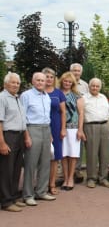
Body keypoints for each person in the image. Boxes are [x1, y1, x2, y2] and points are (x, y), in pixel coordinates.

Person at [20, 72, 56, 206]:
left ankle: (41, 191)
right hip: (32, 129)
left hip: (46, 129)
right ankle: (28, 194)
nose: (41, 82)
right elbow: (22, 117)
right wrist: (26, 135)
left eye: (43, 80)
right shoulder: (26, 95)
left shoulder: (46, 96)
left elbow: (47, 116)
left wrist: (50, 133)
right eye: (38, 80)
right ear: (33, 81)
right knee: (31, 163)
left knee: (45, 162)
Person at [0, 73, 27, 212]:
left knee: (16, 168)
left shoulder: (17, 98)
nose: (16, 85)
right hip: (8, 136)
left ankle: (14, 196)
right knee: (6, 170)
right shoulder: (2, 98)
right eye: (13, 82)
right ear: (6, 84)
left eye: (18, 83)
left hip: (19, 136)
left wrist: (26, 136)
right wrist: (2, 143)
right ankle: (6, 201)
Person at [83, 78, 109, 189]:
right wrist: (81, 130)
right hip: (90, 126)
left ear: (100, 87)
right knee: (92, 153)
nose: (95, 88)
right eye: (93, 86)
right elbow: (81, 115)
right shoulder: (84, 98)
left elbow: (108, 115)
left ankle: (103, 178)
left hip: (104, 126)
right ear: (89, 86)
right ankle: (91, 178)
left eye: (97, 86)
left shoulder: (103, 97)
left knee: (105, 154)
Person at [59, 72, 86, 190]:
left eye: (70, 82)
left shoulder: (77, 95)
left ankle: (71, 179)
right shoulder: (58, 94)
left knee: (73, 155)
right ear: (62, 81)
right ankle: (65, 178)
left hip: (73, 128)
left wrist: (80, 129)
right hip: (60, 128)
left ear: (72, 83)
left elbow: (81, 114)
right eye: (65, 81)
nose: (67, 83)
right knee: (63, 154)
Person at [43, 67, 66, 195]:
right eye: (47, 76)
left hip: (56, 127)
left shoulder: (58, 93)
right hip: (41, 127)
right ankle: (41, 184)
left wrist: (63, 129)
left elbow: (63, 112)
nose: (49, 79)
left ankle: (52, 184)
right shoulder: (39, 92)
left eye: (51, 77)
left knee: (54, 158)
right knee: (42, 157)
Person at [70, 63, 88, 182]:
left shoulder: (85, 85)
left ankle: (77, 170)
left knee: (79, 145)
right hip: (69, 120)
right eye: (74, 70)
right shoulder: (65, 82)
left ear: (81, 72)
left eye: (78, 71)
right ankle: (65, 171)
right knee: (67, 146)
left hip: (81, 119)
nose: (76, 72)